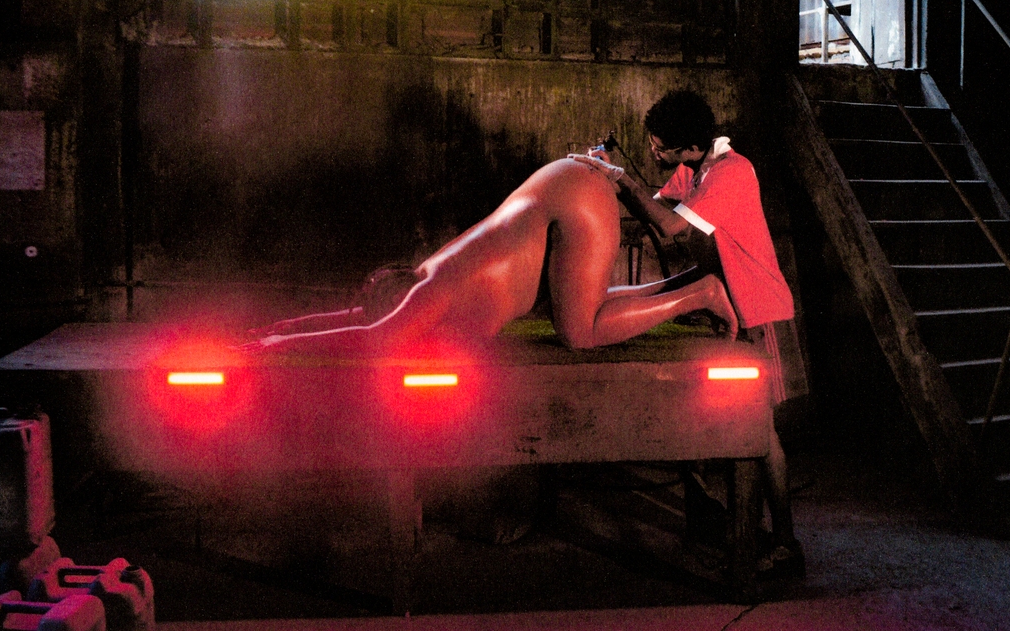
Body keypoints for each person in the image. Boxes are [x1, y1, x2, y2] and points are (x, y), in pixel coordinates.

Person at [571, 88, 804, 580]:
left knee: (762, 434)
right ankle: (714, 519)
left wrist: (621, 179)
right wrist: (609, 177)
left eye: (660, 147)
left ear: (689, 147)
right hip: (726, 300)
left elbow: (670, 227)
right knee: (717, 420)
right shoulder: (694, 170)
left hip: (757, 307)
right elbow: (652, 210)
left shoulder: (731, 172)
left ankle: (786, 545)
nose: (654, 153)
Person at [248, 156, 737, 355]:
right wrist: (283, 327)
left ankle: (699, 295)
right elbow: (361, 319)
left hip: (572, 197)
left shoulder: (430, 291)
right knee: (581, 307)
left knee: (580, 333)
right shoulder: (425, 276)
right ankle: (681, 286)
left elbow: (372, 335)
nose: (378, 303)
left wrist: (273, 346)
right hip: (563, 187)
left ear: (403, 295)